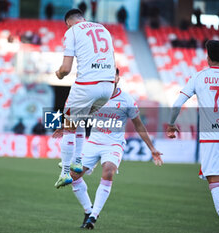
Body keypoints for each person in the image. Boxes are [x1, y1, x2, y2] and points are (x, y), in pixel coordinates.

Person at [166, 40, 219, 233]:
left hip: (211, 135)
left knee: (215, 181)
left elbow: (177, 104)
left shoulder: (199, 77)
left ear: (207, 56)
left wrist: (171, 124)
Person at [70, 68, 163, 229]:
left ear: (118, 78)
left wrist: (152, 148)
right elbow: (78, 114)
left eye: (112, 76)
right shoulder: (94, 96)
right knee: (74, 175)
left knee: (108, 171)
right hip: (93, 143)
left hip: (113, 145)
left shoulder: (127, 100)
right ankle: (88, 210)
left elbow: (139, 125)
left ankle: (93, 216)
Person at [53, 9, 116, 188]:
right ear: (84, 18)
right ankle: (77, 161)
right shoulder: (103, 29)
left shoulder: (72, 31)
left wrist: (58, 74)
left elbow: (65, 69)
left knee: (68, 123)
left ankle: (65, 172)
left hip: (88, 84)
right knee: (79, 118)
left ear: (69, 23)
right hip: (108, 86)